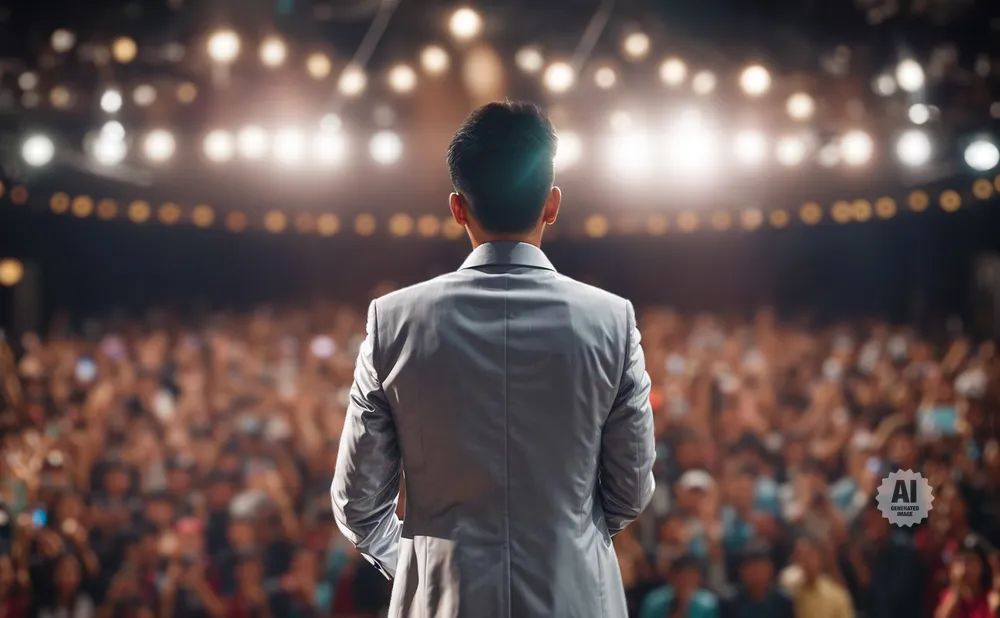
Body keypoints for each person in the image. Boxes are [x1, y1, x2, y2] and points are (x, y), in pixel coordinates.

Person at [331, 101, 656, 618]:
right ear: (552, 204)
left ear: (458, 208)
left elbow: (357, 503)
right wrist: (566, 544)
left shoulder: (393, 320)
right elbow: (629, 490)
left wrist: (423, 565)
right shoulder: (611, 321)